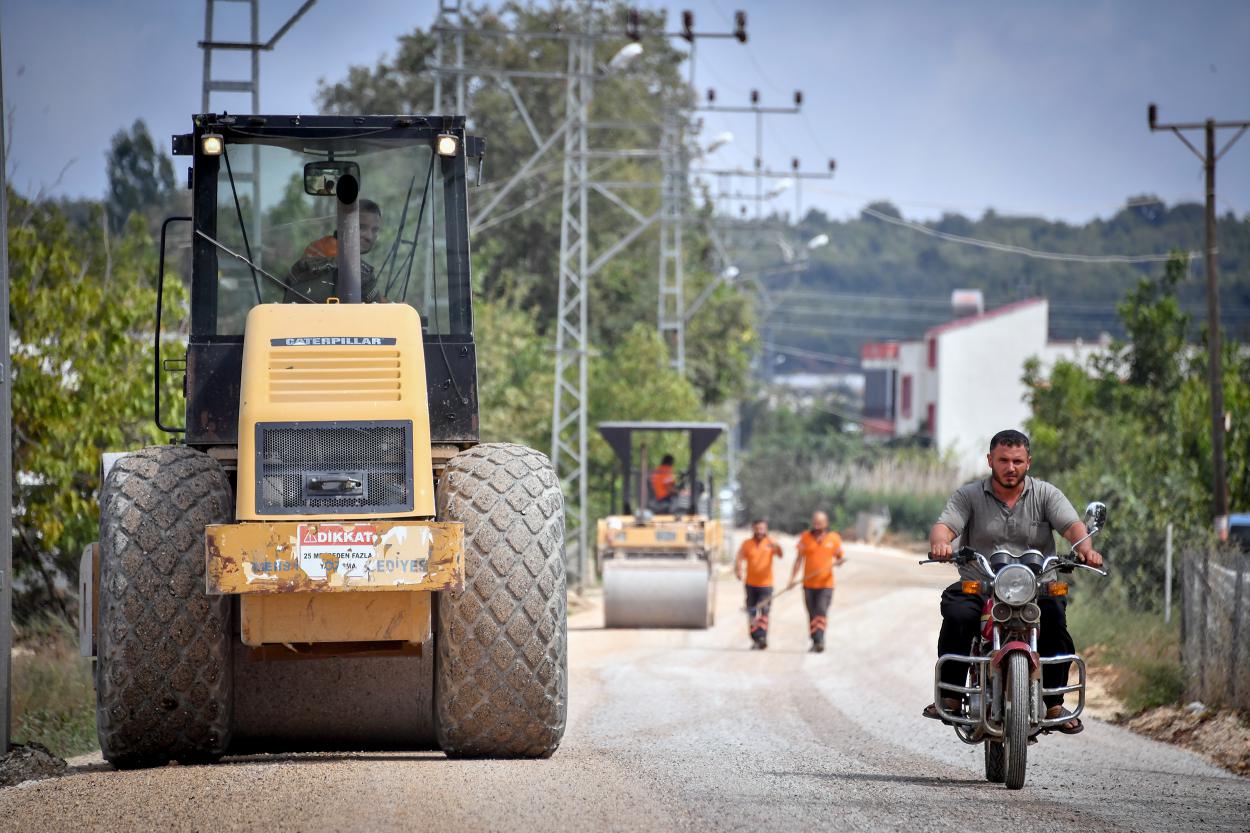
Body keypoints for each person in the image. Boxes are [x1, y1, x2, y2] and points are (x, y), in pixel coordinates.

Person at [924, 428, 1103, 734]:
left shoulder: (1046, 494)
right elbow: (945, 526)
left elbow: (1071, 526)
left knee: (1056, 621)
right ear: (990, 460)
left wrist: (1085, 549)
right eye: (1004, 460)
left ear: (1028, 462)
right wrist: (942, 544)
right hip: (981, 584)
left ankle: (1054, 701)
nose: (1011, 467)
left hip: (1037, 585)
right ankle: (951, 694)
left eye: (1017, 461)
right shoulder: (968, 496)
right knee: (958, 615)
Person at [285, 199, 386, 303]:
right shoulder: (339, 259)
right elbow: (377, 305)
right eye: (361, 227)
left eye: (375, 230)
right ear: (343, 225)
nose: (369, 236)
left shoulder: (322, 245)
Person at [788, 510, 844, 653]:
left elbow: (840, 557)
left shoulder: (834, 538)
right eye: (815, 522)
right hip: (808, 585)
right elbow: (798, 560)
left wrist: (839, 562)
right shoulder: (805, 538)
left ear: (826, 523)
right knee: (812, 613)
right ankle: (815, 640)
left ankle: (820, 640)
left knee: (821, 610)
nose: (817, 525)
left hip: (826, 585)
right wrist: (792, 579)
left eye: (820, 522)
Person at [735, 519, 783, 650]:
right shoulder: (747, 543)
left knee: (764, 611)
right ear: (753, 529)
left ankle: (762, 637)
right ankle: (755, 637)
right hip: (750, 584)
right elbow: (739, 557)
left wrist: (776, 545)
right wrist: (738, 570)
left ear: (766, 529)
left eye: (762, 529)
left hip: (766, 585)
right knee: (752, 611)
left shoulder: (770, 543)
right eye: (758, 529)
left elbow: (780, 555)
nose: (760, 531)